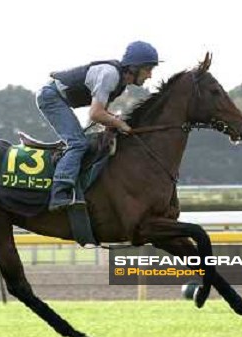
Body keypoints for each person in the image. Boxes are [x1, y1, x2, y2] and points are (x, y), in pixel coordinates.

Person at [35, 40, 160, 211]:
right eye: (148, 69)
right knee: (78, 143)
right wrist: (120, 123)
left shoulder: (120, 85)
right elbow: (95, 114)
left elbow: (103, 116)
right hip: (50, 97)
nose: (150, 75)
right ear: (134, 67)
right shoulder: (110, 75)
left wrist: (116, 122)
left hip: (58, 98)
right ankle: (59, 194)